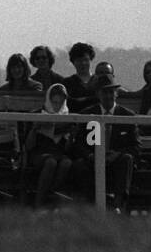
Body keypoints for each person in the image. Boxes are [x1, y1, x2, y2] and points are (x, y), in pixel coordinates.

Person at [78, 63, 139, 212]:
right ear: (98, 94)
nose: (108, 96)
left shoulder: (127, 116)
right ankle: (88, 207)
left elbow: (136, 146)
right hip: (94, 161)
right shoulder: (88, 114)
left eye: (111, 92)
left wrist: (117, 154)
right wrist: (91, 155)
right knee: (80, 165)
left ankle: (118, 205)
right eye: (104, 92)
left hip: (117, 161)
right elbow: (80, 143)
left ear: (116, 93)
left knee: (127, 160)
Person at [24, 84, 76, 208]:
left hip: (59, 153)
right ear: (49, 100)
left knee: (66, 163)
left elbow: (68, 149)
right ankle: (39, 202)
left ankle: (49, 194)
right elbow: (28, 146)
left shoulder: (68, 117)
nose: (57, 106)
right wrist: (35, 129)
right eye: (54, 102)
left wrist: (72, 136)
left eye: (60, 102)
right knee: (50, 162)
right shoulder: (37, 114)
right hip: (40, 152)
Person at [63, 42, 96, 112]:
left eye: (86, 60)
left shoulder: (99, 81)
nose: (83, 63)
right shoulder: (67, 83)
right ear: (73, 62)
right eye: (79, 60)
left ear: (91, 60)